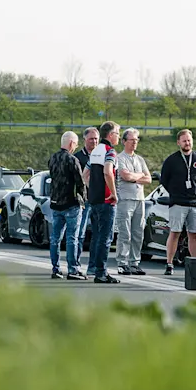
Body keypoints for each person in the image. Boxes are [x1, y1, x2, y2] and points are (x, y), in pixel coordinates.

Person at [157, 128, 196, 276]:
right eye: (184, 141)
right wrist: (175, 193)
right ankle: (169, 263)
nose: (187, 143)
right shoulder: (171, 160)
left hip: (195, 203)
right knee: (175, 232)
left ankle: (195, 264)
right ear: (178, 142)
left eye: (189, 140)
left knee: (194, 234)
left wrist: (195, 192)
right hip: (178, 203)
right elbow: (164, 180)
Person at [47, 130, 88, 280]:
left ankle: (55, 269)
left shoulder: (52, 158)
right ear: (71, 143)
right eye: (76, 144)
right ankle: (73, 270)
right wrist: (83, 200)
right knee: (72, 238)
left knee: (55, 238)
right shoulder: (72, 160)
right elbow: (80, 182)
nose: (75, 147)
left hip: (55, 203)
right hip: (71, 204)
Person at [84, 121, 121, 283]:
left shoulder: (95, 151)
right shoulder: (110, 151)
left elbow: (85, 174)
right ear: (111, 135)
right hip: (106, 200)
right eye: (118, 134)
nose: (119, 137)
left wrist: (92, 189)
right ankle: (101, 272)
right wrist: (113, 193)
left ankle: (95, 268)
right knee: (106, 237)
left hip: (94, 199)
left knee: (97, 236)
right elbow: (108, 171)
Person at [114, 127, 152, 275]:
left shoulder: (140, 159)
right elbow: (125, 177)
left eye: (136, 140)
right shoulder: (120, 158)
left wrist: (135, 176)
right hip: (125, 199)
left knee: (138, 232)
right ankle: (122, 263)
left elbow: (148, 179)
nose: (134, 143)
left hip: (139, 199)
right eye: (132, 140)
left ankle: (134, 262)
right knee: (125, 233)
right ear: (124, 141)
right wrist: (138, 176)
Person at [69, 126, 99, 263]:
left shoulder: (102, 155)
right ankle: (76, 262)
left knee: (98, 234)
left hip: (98, 199)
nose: (94, 141)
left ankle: (94, 265)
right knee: (80, 233)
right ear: (85, 139)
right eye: (91, 138)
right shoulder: (77, 158)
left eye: (96, 139)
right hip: (84, 200)